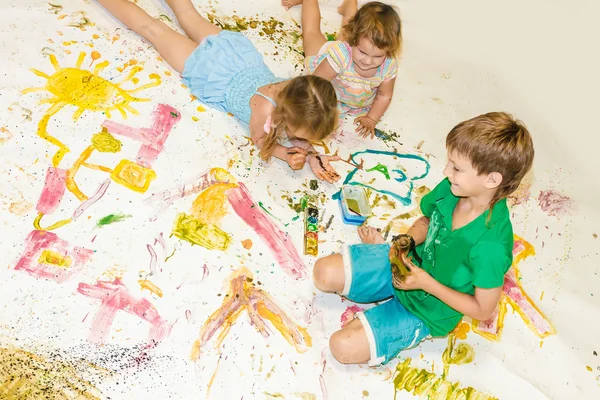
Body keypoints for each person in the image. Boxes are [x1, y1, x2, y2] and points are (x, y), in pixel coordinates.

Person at [312, 112, 535, 365]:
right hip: (406, 266)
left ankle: (395, 318)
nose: (446, 171)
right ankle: (381, 270)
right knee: (323, 273)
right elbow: (427, 222)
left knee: (342, 347)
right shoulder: (454, 188)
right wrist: (403, 243)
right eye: (450, 163)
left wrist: (424, 282)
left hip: (429, 310)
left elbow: (483, 309)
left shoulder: (491, 247)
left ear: (492, 179)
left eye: (457, 168)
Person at [93, 0, 341, 182]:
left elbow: (302, 126)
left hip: (235, 55)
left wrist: (311, 155)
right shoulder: (264, 109)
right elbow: (261, 140)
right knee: (152, 29)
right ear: (287, 116)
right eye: (307, 136)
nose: (308, 141)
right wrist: (285, 154)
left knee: (187, 12)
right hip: (210, 73)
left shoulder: (300, 89)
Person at [284, 0, 401, 138]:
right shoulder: (340, 56)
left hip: (347, 81)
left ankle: (349, 5)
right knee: (311, 31)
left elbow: (384, 95)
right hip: (330, 64)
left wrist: (371, 119)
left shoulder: (388, 66)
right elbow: (316, 84)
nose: (368, 61)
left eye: (377, 56)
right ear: (353, 41)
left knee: (348, 31)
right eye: (363, 52)